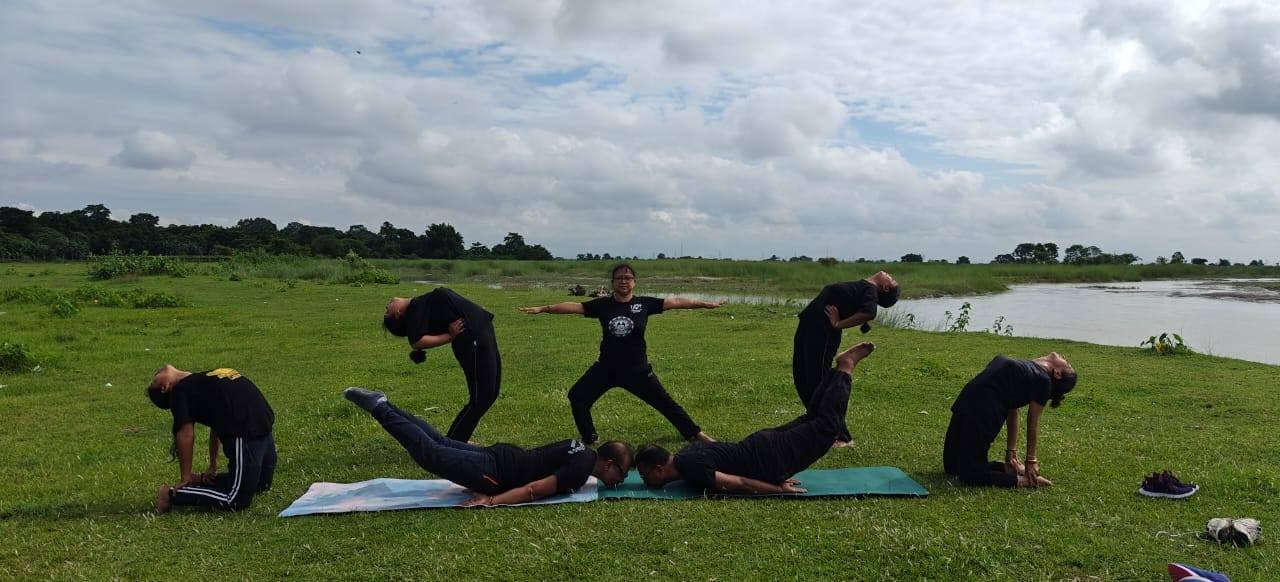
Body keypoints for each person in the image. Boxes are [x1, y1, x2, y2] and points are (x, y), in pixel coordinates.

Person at [519, 263, 719, 445]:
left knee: (666, 403)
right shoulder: (602, 305)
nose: (623, 281)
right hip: (606, 369)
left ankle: (696, 435)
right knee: (577, 397)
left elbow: (676, 302)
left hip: (638, 370)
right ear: (612, 282)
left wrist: (704, 304)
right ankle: (589, 437)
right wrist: (544, 308)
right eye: (619, 278)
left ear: (634, 282)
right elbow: (573, 307)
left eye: (628, 278)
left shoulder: (645, 304)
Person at [635, 343, 875, 494]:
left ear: (658, 470)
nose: (646, 481)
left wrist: (776, 489)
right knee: (814, 418)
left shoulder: (689, 468)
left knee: (827, 427)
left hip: (770, 459)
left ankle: (845, 367)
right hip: (761, 443)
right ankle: (837, 370)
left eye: (645, 476)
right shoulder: (687, 453)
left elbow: (738, 482)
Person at [343, 387, 630, 506]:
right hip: (498, 472)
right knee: (431, 454)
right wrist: (490, 501)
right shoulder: (580, 470)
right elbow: (535, 489)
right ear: (609, 464)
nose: (621, 480)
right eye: (623, 473)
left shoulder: (579, 447)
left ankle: (385, 403)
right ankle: (381, 408)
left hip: (504, 454)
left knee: (440, 442)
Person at [146, 365, 277, 513]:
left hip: (263, 430)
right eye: (153, 382)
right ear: (164, 387)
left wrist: (213, 465)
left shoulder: (201, 380)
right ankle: (170, 495)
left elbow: (216, 426)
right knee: (236, 499)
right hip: (245, 434)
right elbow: (185, 434)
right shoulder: (179, 392)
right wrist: (185, 476)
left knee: (262, 484)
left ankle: (202, 480)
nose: (155, 374)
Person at [792, 271, 899, 447]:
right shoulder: (863, 286)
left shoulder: (870, 290)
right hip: (809, 328)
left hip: (823, 334)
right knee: (802, 376)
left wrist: (838, 324)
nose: (889, 275)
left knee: (819, 381)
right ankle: (816, 424)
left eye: (892, 280)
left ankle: (841, 435)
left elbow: (869, 312)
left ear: (885, 287)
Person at [942, 353, 1077, 488]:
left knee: (970, 474)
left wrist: (1031, 460)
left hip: (984, 413)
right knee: (952, 466)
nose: (1065, 357)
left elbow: (1032, 421)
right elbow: (1013, 410)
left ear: (1058, 373)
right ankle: (1008, 469)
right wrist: (1011, 453)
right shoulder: (1026, 367)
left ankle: (1023, 481)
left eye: (1068, 364)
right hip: (966, 403)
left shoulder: (1043, 381)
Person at [383, 287, 500, 442]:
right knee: (481, 397)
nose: (386, 306)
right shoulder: (415, 311)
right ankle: (453, 442)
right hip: (473, 341)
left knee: (490, 394)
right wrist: (450, 336)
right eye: (387, 311)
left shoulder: (420, 304)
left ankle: (455, 441)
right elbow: (417, 342)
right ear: (398, 314)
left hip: (482, 334)